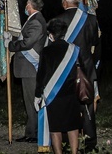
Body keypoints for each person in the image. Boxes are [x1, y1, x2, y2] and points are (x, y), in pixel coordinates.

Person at [55, 0, 101, 150]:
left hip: (66, 69)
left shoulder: (58, 21)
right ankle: (89, 143)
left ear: (64, 2)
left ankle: (68, 142)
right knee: (87, 107)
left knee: (68, 106)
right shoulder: (91, 20)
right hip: (87, 68)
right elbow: (95, 43)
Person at [35, 18, 82, 154]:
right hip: (71, 93)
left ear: (50, 34)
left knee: (55, 129)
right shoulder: (74, 49)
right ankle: (74, 152)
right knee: (73, 127)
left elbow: (41, 75)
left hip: (53, 95)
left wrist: (38, 94)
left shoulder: (46, 51)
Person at [5, 0, 48, 143]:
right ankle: (31, 132)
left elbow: (28, 43)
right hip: (27, 68)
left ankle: (35, 133)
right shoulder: (34, 20)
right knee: (29, 102)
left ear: (30, 6)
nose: (25, 7)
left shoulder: (36, 21)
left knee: (32, 102)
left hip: (31, 68)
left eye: (26, 5)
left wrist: (10, 45)